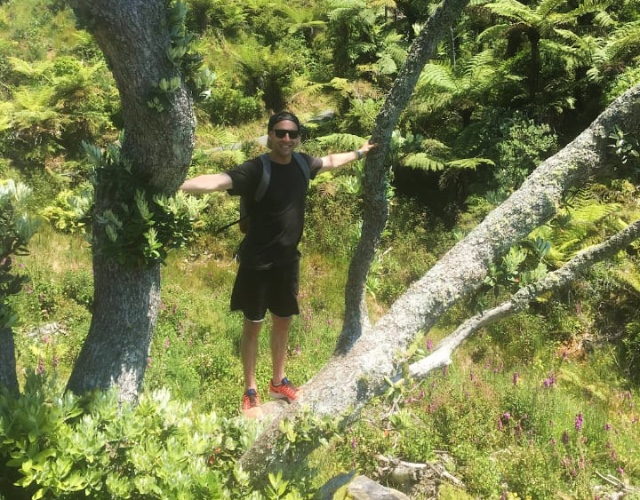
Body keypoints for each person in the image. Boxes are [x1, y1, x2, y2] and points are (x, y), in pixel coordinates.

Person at [180, 111, 376, 418]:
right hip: (256, 263)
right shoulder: (257, 168)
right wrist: (176, 185)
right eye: (280, 133)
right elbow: (217, 182)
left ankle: (278, 381)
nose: (286, 139)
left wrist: (359, 152)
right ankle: (249, 389)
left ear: (298, 138)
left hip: (287, 263)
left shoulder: (302, 164)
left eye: (292, 134)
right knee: (253, 326)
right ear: (270, 135)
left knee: (283, 322)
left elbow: (330, 161)